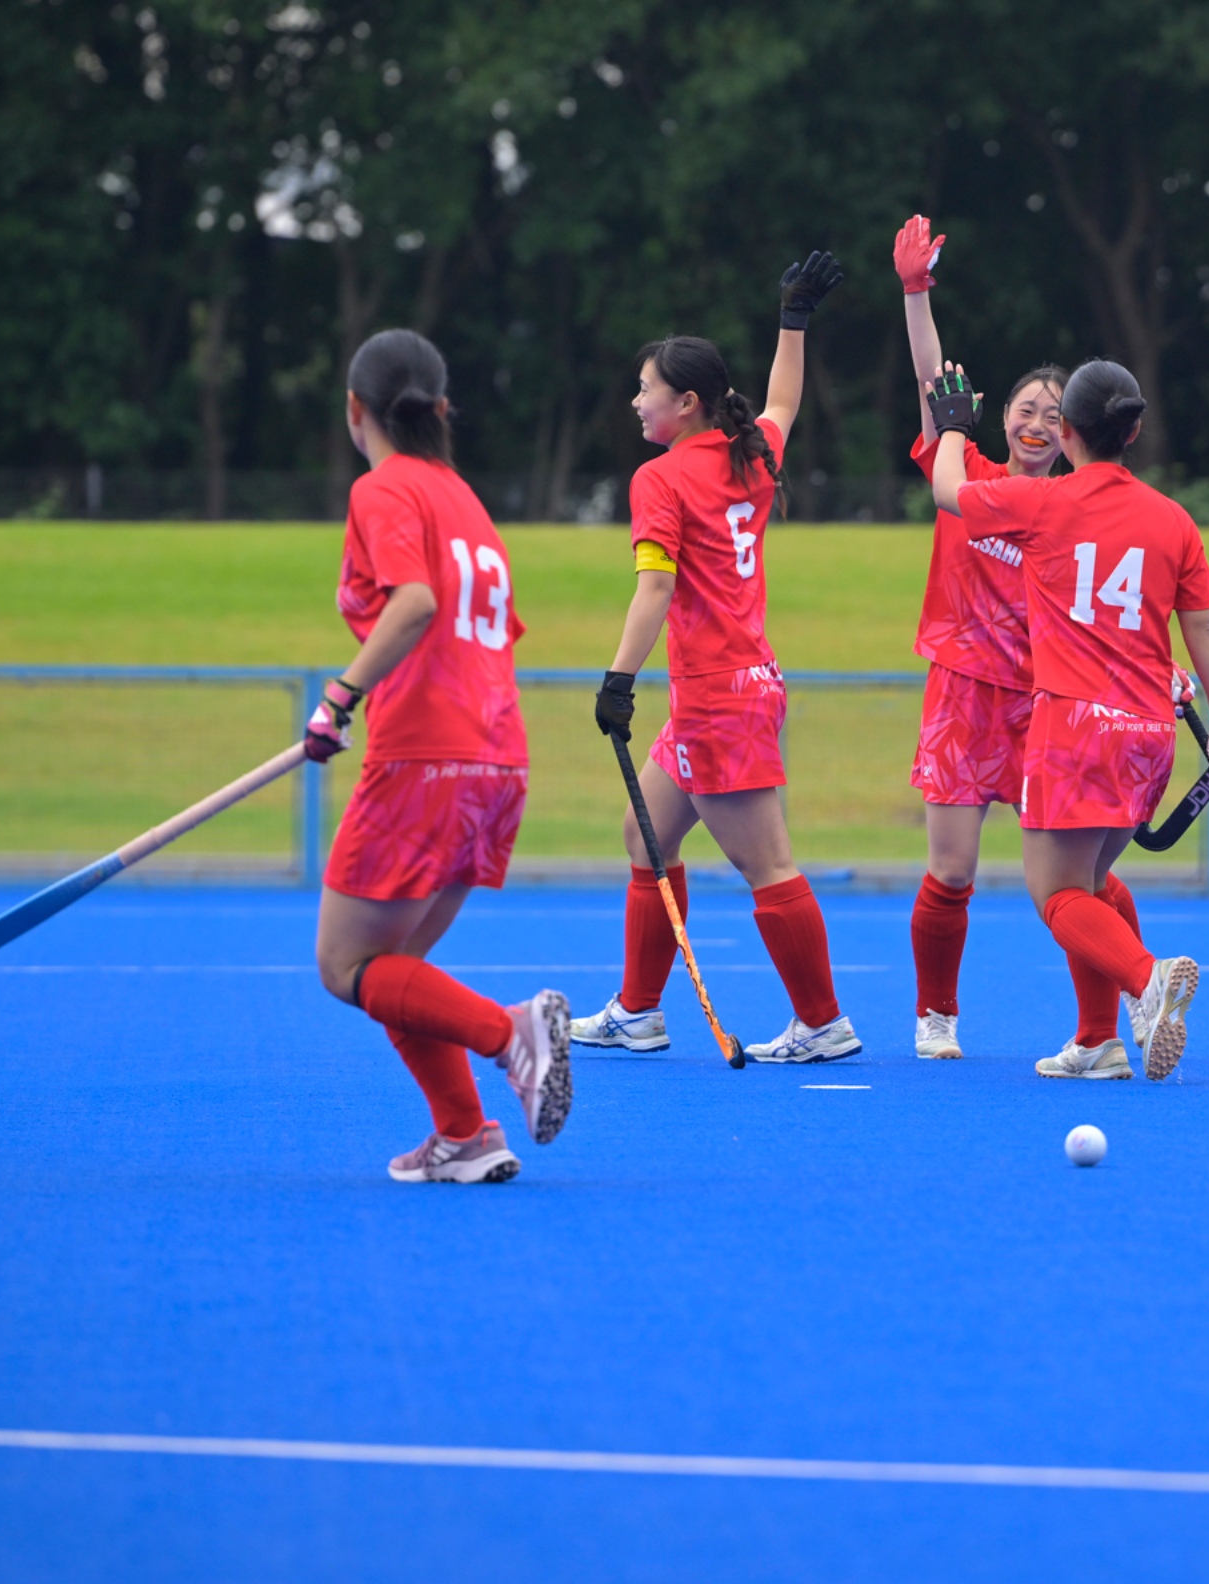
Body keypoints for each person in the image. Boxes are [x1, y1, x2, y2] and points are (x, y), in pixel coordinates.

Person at [569, 252, 863, 1065]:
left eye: (646, 389)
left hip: (716, 695)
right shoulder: (750, 451)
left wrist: (618, 680)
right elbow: (783, 401)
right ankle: (638, 1012)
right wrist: (793, 321)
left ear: (686, 402)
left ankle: (823, 1022)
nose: (636, 401)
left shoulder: (660, 478)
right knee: (645, 837)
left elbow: (655, 590)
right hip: (739, 685)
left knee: (768, 866)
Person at [308, 329, 570, 1184]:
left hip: (426, 757)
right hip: (497, 759)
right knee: (396, 970)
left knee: (345, 966)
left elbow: (415, 602)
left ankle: (510, 1034)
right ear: (442, 408)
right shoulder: (465, 499)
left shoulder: (384, 489)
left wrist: (340, 696)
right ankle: (464, 1135)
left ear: (356, 409)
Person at [928, 357, 1209, 1078]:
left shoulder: (1042, 500)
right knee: (1091, 884)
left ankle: (1147, 977)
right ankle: (1098, 1043)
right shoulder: (1174, 518)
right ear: (1132, 432)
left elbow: (947, 491)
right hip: (1149, 734)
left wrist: (953, 428)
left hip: (1074, 729)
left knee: (1058, 893)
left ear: (1065, 431)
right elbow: (1201, 630)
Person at [893, 213, 1070, 1059]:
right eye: (1026, 408)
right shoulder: (965, 470)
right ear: (999, 418)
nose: (1037, 422)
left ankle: (1122, 1005)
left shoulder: (1075, 508)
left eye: (1054, 415)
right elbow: (931, 380)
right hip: (962, 691)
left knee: (1072, 877)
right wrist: (915, 292)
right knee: (952, 870)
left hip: (1045, 703)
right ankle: (936, 1016)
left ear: (1073, 433)